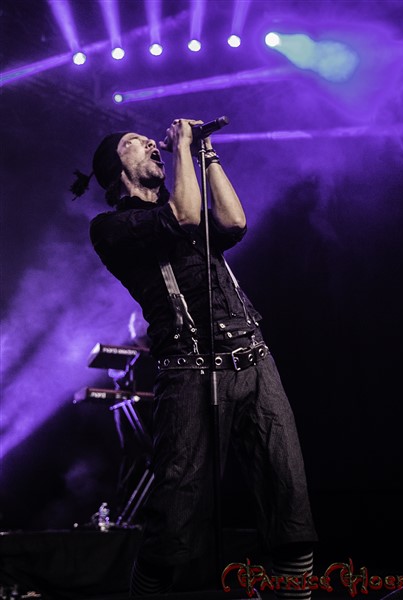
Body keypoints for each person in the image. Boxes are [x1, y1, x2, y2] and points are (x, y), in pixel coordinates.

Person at [81, 118, 318, 598]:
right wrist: (184, 148)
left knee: (288, 500)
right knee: (174, 518)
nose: (149, 142)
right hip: (188, 373)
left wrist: (205, 153)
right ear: (115, 171)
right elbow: (184, 216)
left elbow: (234, 222)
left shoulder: (184, 203)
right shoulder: (111, 227)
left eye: (147, 139)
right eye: (133, 143)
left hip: (254, 360)